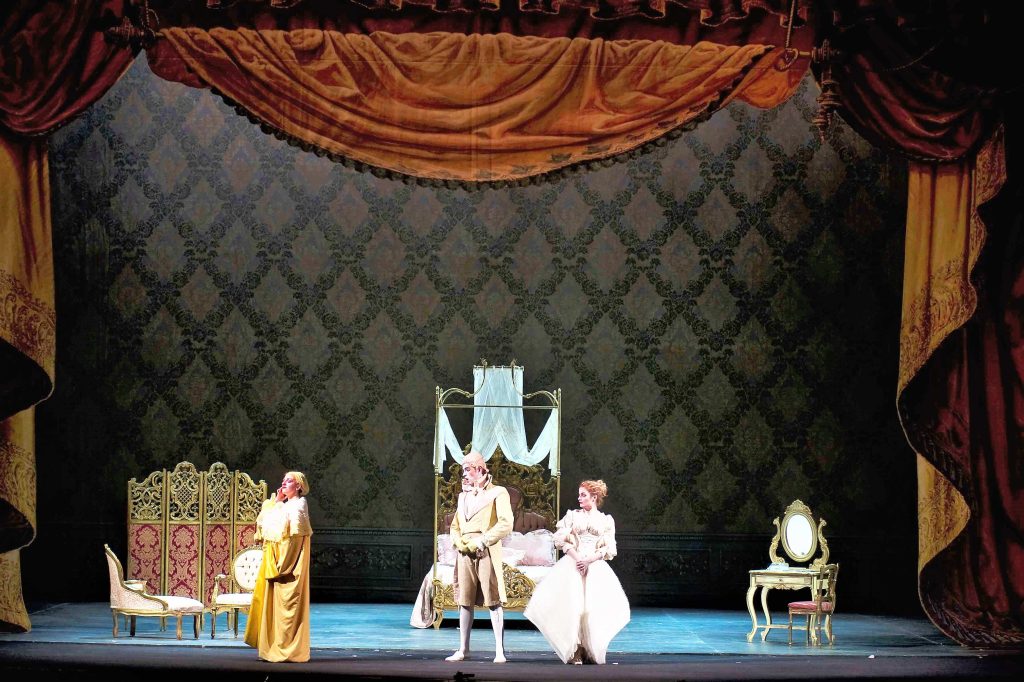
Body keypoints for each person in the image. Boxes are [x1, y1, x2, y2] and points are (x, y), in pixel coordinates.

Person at [523, 479, 630, 664]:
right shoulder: (572, 516)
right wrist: (578, 558)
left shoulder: (606, 520)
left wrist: (589, 560)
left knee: (592, 609)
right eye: (579, 494)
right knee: (574, 607)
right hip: (574, 563)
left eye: (583, 495)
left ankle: (590, 649)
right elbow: (560, 541)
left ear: (594, 497)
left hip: (594, 565)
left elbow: (609, 548)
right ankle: (575, 650)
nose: (579, 498)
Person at [445, 451, 514, 663]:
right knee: (464, 600)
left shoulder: (498, 493)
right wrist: (458, 542)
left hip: (485, 549)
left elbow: (506, 523)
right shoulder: (463, 496)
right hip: (465, 550)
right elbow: (455, 525)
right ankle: (463, 649)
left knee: (493, 599)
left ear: (480, 469)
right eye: (463, 470)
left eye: (468, 469)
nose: (464, 474)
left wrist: (483, 541)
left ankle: (499, 651)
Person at [244, 471, 313, 662]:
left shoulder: (299, 506)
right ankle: (270, 648)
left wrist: (281, 564)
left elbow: (294, 541)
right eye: (283, 480)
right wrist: (277, 501)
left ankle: (288, 650)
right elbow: (264, 526)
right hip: (274, 561)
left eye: (288, 481)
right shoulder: (282, 505)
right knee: (272, 607)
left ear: (298, 486)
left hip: (287, 565)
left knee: (287, 606)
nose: (283, 483)